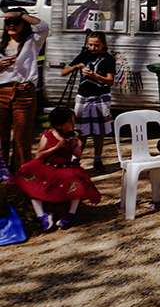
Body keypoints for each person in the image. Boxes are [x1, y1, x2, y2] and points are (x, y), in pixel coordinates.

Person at [13, 106, 101, 232]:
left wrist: (75, 144)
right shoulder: (47, 136)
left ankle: (71, 214)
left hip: (65, 167)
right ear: (59, 125)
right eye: (70, 122)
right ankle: (42, 216)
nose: (73, 124)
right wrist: (56, 147)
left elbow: (78, 155)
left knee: (77, 186)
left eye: (73, 121)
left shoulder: (72, 135)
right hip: (47, 167)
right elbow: (39, 155)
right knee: (33, 188)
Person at [0, 8, 49, 168]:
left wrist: (21, 15)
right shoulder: (1, 45)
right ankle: (3, 174)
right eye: (8, 22)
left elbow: (43, 26)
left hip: (24, 93)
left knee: (22, 137)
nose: (12, 25)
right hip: (2, 93)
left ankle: (21, 174)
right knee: (1, 138)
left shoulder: (32, 42)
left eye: (16, 22)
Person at [63, 30, 115, 172]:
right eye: (90, 45)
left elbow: (110, 81)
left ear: (103, 44)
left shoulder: (108, 59)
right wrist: (76, 66)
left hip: (101, 96)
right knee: (81, 130)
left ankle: (97, 160)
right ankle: (76, 159)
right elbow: (64, 72)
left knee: (99, 131)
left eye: (96, 45)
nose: (92, 48)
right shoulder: (84, 55)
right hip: (83, 96)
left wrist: (95, 76)